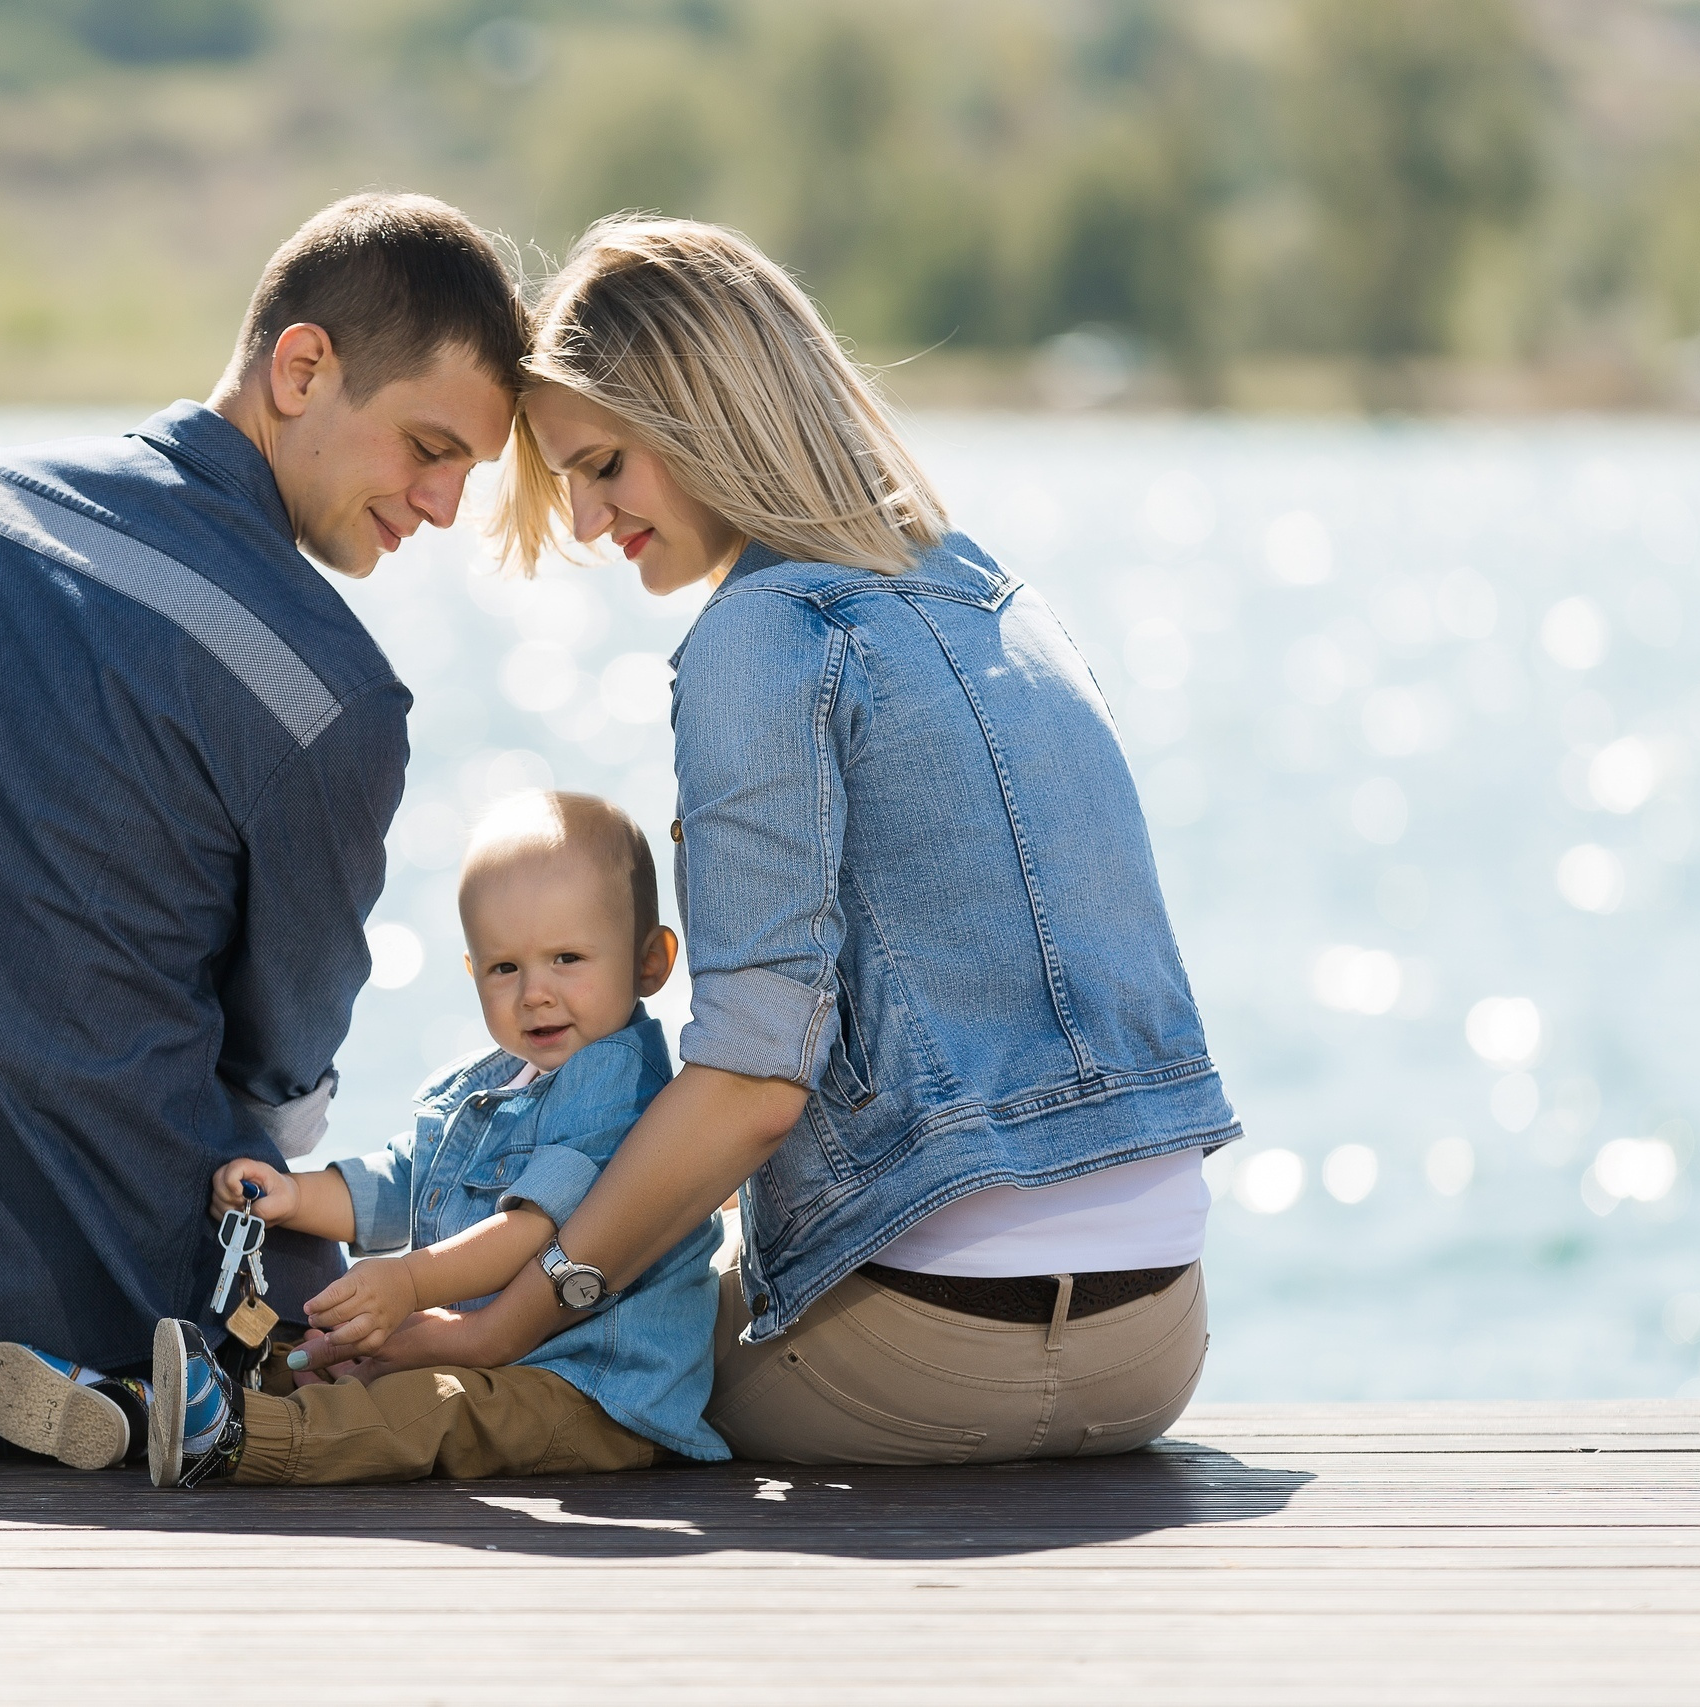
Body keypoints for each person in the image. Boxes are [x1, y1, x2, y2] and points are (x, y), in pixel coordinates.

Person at [306, 218, 1242, 1467]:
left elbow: (750, 1091)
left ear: (706, 419)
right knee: (633, 1238)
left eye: (605, 467)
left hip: (935, 1355)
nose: (587, 521)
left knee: (592, 1344)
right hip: (1157, 1343)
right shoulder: (988, 590)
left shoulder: (762, 633)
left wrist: (498, 1324)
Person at [0, 193, 527, 1456]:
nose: (445, 504)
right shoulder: (329, 697)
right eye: (428, 447)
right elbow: (282, 1074)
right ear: (301, 369)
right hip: (127, 1337)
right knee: (374, 1268)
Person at [0, 790, 728, 1487]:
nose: (533, 990)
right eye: (505, 966)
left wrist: (406, 1283)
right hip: (502, 1353)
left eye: (567, 958)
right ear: (472, 972)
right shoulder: (499, 1080)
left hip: (597, 1391)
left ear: (650, 961)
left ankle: (244, 1439)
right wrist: (299, 1194)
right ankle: (143, 1409)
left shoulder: (620, 1085)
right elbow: (408, 1175)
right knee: (323, 1359)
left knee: (434, 1408)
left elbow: (530, 1231)